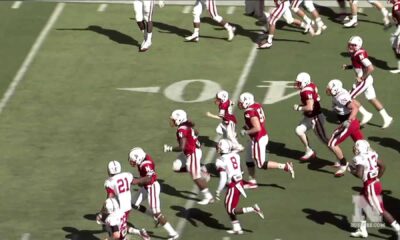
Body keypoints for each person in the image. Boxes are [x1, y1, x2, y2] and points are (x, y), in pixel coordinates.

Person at [238, 92, 295, 189]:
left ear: (247, 102)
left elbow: (257, 128)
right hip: (258, 137)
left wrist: (246, 131)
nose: (239, 104)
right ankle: (252, 182)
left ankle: (285, 166)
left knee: (261, 164)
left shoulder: (249, 112)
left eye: (241, 102)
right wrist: (247, 127)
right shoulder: (256, 105)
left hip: (258, 138)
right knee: (248, 159)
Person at [348, 140, 400, 238]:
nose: (355, 149)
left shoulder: (359, 158)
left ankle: (398, 229)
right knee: (361, 202)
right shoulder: (372, 154)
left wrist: (351, 170)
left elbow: (359, 174)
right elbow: (383, 166)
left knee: (380, 210)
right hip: (374, 183)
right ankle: (362, 229)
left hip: (370, 186)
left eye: (356, 147)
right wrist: (377, 177)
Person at [164, 109, 214, 205]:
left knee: (196, 177)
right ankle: (200, 170)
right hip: (189, 151)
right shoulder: (186, 125)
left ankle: (208, 197)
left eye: (174, 119)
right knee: (176, 167)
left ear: (179, 120)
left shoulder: (182, 129)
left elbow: (181, 147)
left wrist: (169, 148)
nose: (172, 121)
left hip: (193, 153)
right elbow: (197, 132)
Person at [214, 139, 264, 235]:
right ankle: (237, 228)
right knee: (229, 206)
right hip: (239, 182)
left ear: (222, 148)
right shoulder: (235, 155)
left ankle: (253, 208)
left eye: (219, 146)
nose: (217, 148)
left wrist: (218, 191)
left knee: (230, 209)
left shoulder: (220, 160)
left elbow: (223, 178)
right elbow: (241, 170)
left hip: (233, 186)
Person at [128, 147, 179, 240]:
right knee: (134, 204)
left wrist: (136, 181)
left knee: (157, 213)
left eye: (133, 160)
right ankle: (154, 216)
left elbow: (149, 178)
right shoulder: (144, 158)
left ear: (139, 158)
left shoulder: (145, 164)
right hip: (146, 186)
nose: (132, 162)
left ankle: (173, 233)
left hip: (152, 187)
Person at [343, 36, 393, 128]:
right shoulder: (356, 53)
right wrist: (349, 67)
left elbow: (370, 68)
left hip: (364, 80)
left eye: (353, 45)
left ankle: (366, 114)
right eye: (349, 44)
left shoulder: (359, 54)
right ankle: (387, 117)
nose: (350, 47)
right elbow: (359, 66)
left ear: (358, 46)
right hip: (366, 79)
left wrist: (362, 78)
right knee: (371, 98)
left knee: (348, 97)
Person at [325, 79, 364, 177]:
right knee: (362, 145)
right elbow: (358, 105)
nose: (328, 90)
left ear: (335, 89)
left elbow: (355, 107)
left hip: (349, 123)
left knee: (332, 143)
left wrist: (349, 120)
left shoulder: (341, 97)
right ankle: (373, 161)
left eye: (329, 89)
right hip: (353, 123)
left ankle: (343, 164)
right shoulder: (340, 93)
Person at [104, 161, 150, 239]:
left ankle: (137, 233)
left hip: (119, 208)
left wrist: (105, 209)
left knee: (118, 232)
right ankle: (140, 232)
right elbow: (136, 181)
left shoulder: (109, 182)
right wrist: (148, 178)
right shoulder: (126, 175)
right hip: (127, 206)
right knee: (121, 226)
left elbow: (110, 197)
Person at [293, 72, 328, 161]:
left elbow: (309, 107)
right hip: (311, 116)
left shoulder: (306, 91)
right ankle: (309, 151)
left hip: (316, 117)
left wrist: (299, 108)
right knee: (299, 130)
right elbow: (315, 97)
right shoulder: (311, 85)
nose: (297, 84)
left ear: (305, 82)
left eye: (299, 83)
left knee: (325, 140)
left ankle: (342, 161)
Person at [390, 0, 400, 74]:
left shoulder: (396, 6)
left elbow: (398, 14)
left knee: (398, 47)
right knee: (394, 46)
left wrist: (397, 32)